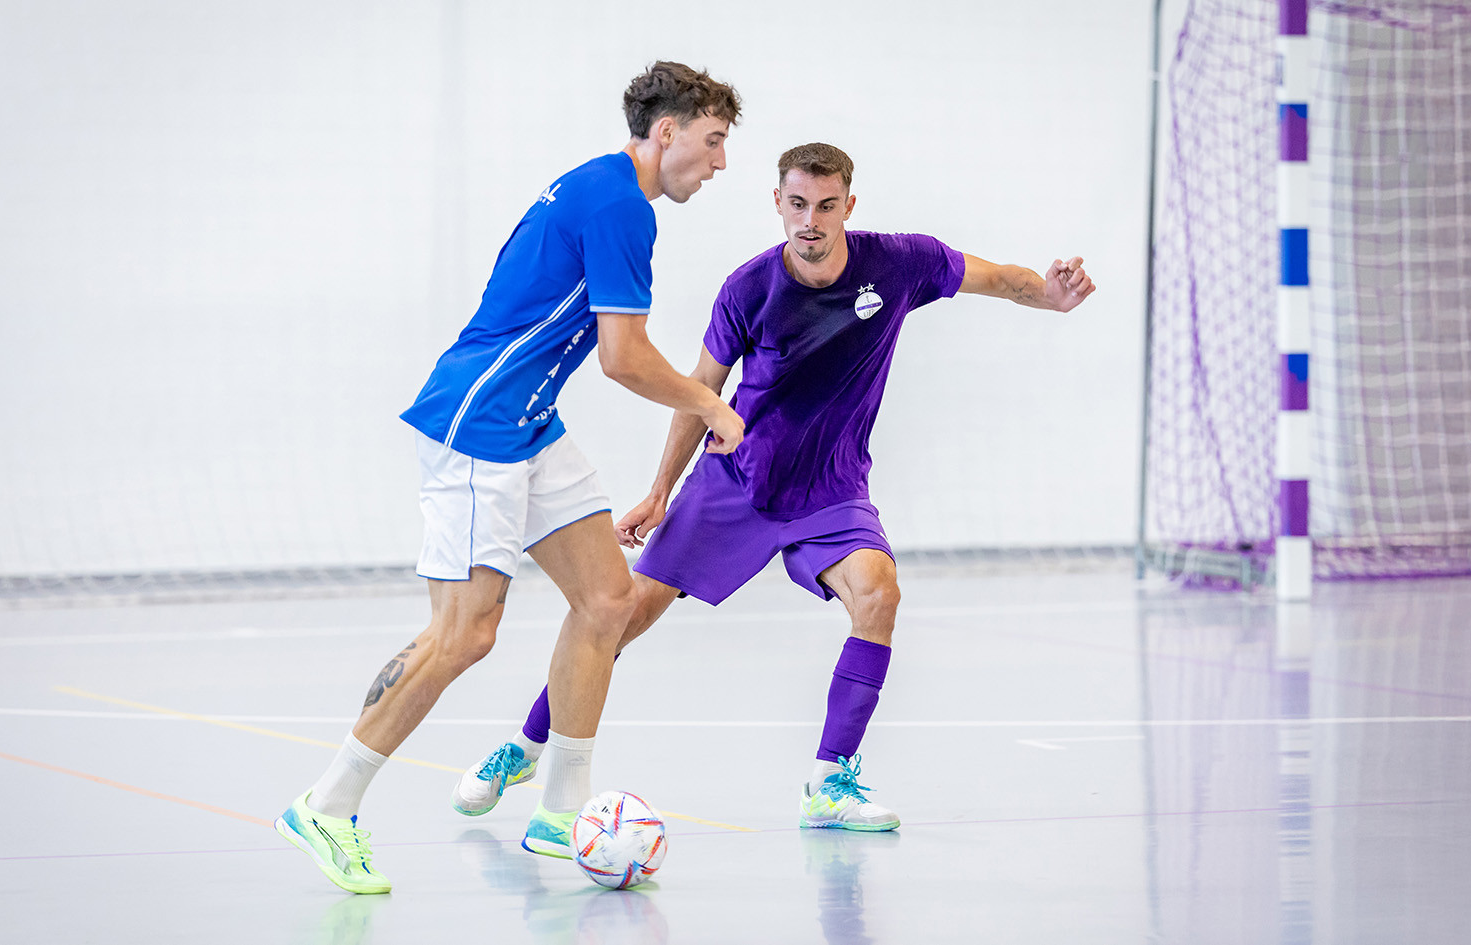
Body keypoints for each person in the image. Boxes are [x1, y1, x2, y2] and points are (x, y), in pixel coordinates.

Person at [451, 142, 1096, 834]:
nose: (809, 221)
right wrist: (661, 491)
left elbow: (995, 276)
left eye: (825, 206)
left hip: (832, 489)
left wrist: (1050, 297)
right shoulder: (749, 287)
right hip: (738, 480)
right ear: (778, 204)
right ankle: (526, 744)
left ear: (849, 205)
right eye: (796, 205)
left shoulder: (902, 262)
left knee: (878, 591)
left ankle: (828, 781)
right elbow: (702, 391)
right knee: (620, 614)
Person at [275, 61, 747, 894]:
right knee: (464, 634)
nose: (718, 165)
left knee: (608, 600)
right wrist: (711, 404)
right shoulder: (617, 206)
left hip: (528, 423)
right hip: (480, 424)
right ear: (666, 131)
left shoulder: (606, 192)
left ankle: (562, 811)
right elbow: (623, 358)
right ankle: (327, 803)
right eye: (711, 144)